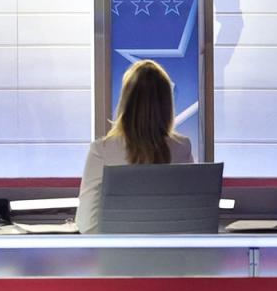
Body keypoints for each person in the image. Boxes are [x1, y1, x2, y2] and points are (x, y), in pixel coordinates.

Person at [75, 60, 193, 234]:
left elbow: (86, 223)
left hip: (117, 258)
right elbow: (192, 217)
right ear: (167, 104)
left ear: (125, 102)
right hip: (171, 257)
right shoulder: (182, 148)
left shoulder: (102, 151)